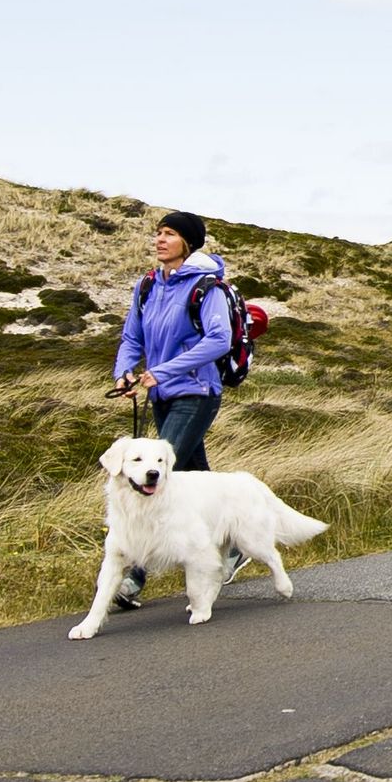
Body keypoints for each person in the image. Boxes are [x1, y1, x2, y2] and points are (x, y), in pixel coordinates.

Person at [110, 209, 243, 609]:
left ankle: (133, 576)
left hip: (198, 391)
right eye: (158, 233)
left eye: (168, 234)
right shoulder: (149, 285)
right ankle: (234, 540)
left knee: (156, 476)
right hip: (161, 395)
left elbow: (219, 339)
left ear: (187, 242)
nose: (159, 240)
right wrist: (125, 374)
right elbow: (132, 336)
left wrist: (161, 371)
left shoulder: (207, 288)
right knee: (194, 476)